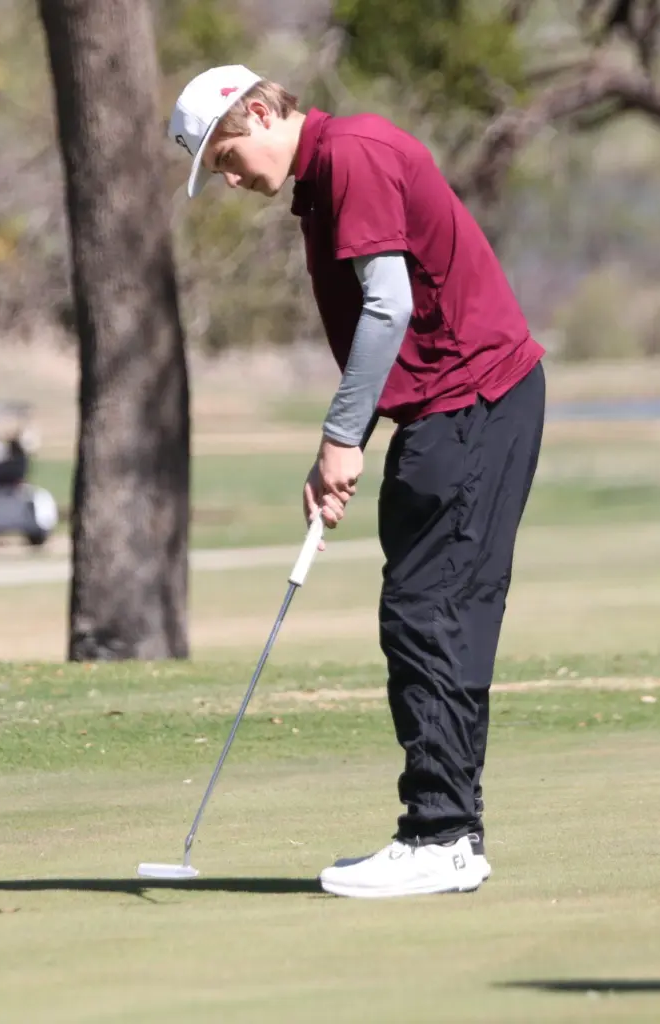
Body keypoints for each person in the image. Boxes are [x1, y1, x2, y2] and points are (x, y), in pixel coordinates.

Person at [169, 66, 545, 899]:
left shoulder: (351, 156)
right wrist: (350, 439)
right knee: (440, 615)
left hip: (470, 405)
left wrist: (341, 437)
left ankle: (438, 835)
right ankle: (452, 833)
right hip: (462, 406)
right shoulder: (325, 177)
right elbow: (389, 328)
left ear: (258, 113)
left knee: (425, 614)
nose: (229, 180)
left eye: (225, 157)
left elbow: (388, 307)